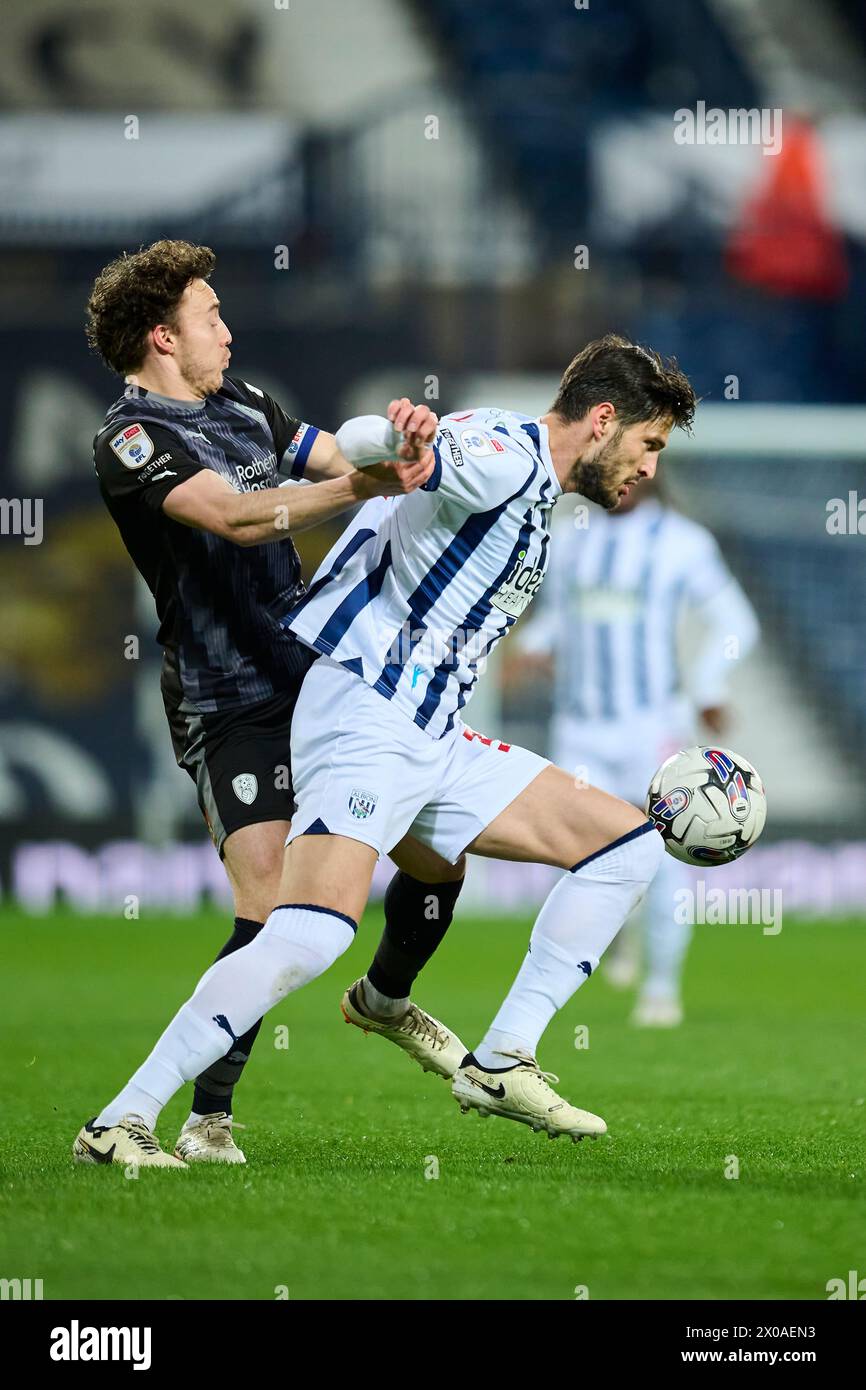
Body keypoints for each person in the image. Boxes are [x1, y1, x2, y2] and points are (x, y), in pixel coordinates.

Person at [76, 334, 697, 1164]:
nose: (650, 468)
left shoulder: (527, 476)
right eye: (649, 444)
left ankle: (501, 1059)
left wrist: (392, 438)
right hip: (367, 719)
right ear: (604, 419)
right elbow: (413, 452)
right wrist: (408, 440)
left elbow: (386, 448)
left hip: (431, 735)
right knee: (309, 933)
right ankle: (120, 1120)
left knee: (624, 845)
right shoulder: (506, 456)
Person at [81, 239, 461, 1167]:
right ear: (164, 337)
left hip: (317, 679)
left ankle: (385, 998)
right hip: (228, 701)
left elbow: (338, 451)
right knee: (268, 901)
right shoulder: (132, 438)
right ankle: (205, 1119)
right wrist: (355, 486)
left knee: (440, 857)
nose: (228, 330)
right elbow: (236, 515)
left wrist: (400, 443)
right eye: (211, 317)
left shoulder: (244, 403)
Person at [510, 480, 760, 1025]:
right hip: (579, 728)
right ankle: (590, 960)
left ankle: (662, 988)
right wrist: (532, 648)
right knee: (577, 857)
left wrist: (710, 686)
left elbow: (737, 620)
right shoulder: (570, 538)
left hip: (653, 729)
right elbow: (556, 617)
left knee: (667, 852)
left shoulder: (682, 542)